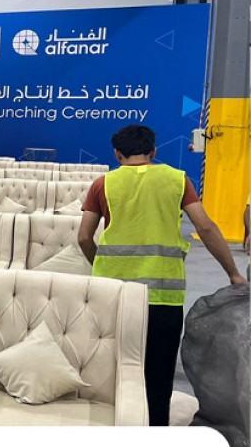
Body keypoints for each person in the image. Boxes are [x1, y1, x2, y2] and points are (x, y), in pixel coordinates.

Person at [78, 125, 246, 427]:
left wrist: (100, 265)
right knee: (158, 375)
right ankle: (154, 434)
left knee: (111, 370)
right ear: (153, 151)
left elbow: (83, 237)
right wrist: (234, 273)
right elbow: (205, 227)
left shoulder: (103, 184)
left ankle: (112, 429)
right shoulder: (178, 180)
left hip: (114, 296)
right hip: (164, 298)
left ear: (117, 154)